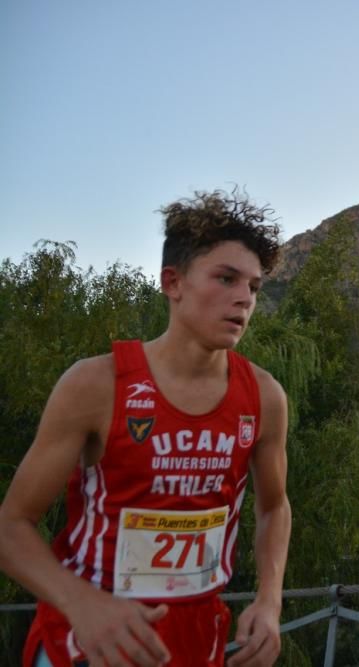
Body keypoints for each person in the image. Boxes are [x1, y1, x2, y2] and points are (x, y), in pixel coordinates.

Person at [0, 189, 292, 667]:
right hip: (89, 640)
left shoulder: (264, 397)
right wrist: (81, 603)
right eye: (226, 278)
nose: (244, 298)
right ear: (172, 283)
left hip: (199, 639)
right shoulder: (96, 384)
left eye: (254, 287)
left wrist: (270, 599)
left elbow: (274, 508)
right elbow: (11, 527)